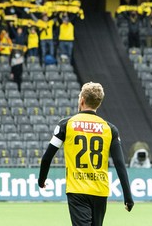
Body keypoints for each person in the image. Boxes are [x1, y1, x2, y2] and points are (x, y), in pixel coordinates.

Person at [38, 82, 134, 226]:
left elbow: (47, 157)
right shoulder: (110, 129)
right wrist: (128, 196)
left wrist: (42, 179)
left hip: (77, 189)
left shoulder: (66, 125)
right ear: (98, 104)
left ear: (82, 100)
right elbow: (119, 164)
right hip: (100, 190)